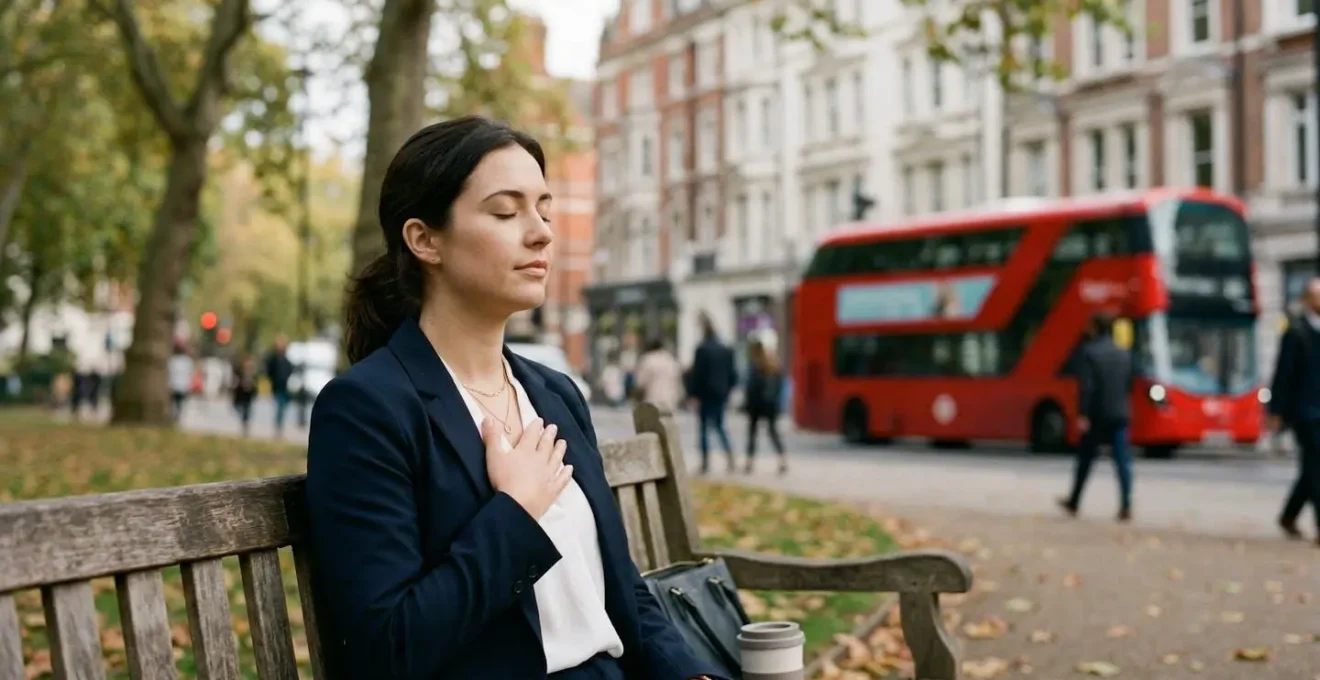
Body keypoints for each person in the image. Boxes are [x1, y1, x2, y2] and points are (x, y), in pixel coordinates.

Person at [303, 116, 723, 680]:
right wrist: (517, 511)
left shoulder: (554, 395)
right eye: (506, 211)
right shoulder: (367, 410)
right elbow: (388, 646)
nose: (542, 232)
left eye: (543, 210)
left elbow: (623, 593)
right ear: (425, 240)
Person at [1059, 310, 1134, 522]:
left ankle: (1074, 502)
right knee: (1122, 463)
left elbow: (1087, 387)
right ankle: (1126, 505)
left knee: (1085, 461)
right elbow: (1129, 383)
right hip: (1120, 413)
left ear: (1096, 328)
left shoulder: (1090, 352)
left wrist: (1083, 414)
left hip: (1097, 415)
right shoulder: (1124, 353)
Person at [1267, 276, 1320, 546]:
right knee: (1316, 466)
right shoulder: (1296, 332)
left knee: (1311, 469)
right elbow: (1283, 374)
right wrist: (1275, 411)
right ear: (1309, 300)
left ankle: (1289, 515)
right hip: (1305, 412)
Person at [686, 314, 737, 474]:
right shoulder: (725, 349)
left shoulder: (702, 350)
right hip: (720, 394)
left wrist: (693, 394)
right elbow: (733, 374)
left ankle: (705, 462)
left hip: (705, 395)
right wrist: (727, 390)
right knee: (720, 427)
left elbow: (698, 374)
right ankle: (730, 457)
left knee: (703, 429)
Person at [743, 340, 787, 475]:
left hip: (757, 405)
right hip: (771, 405)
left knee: (752, 433)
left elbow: (752, 388)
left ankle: (750, 462)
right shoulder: (775, 365)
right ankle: (782, 460)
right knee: (773, 432)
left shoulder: (755, 366)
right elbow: (780, 387)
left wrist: (747, 404)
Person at [632, 338, 684, 413]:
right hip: (669, 401)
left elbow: (640, 383)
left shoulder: (647, 360)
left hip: (652, 401)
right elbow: (678, 381)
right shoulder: (671, 360)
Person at [264, 334, 295, 435]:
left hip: (285, 387)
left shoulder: (286, 361)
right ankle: (278, 426)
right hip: (277, 387)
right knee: (280, 407)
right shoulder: (273, 360)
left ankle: (279, 426)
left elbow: (290, 371)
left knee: (282, 407)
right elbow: (269, 373)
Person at [230, 353, 258, 437]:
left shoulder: (253, 375)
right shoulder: (240, 372)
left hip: (248, 395)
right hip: (240, 394)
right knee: (239, 408)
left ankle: (245, 428)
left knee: (247, 411)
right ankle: (244, 423)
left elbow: (255, 386)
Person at [167, 345, 194, 423]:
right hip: (183, 385)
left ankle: (176, 415)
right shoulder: (188, 361)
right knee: (180, 402)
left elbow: (170, 372)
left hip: (175, 385)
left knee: (175, 402)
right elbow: (190, 374)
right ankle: (178, 415)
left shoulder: (173, 360)